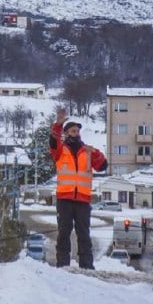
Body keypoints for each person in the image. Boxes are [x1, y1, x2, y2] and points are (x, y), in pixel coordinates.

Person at [50, 108, 108, 269]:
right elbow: (53, 142)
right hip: (65, 198)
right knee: (64, 232)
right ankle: (63, 264)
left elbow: (103, 166)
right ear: (67, 133)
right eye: (73, 130)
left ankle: (87, 265)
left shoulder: (87, 151)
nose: (76, 133)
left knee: (84, 233)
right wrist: (57, 125)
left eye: (78, 130)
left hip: (83, 199)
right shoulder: (61, 150)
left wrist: (95, 153)